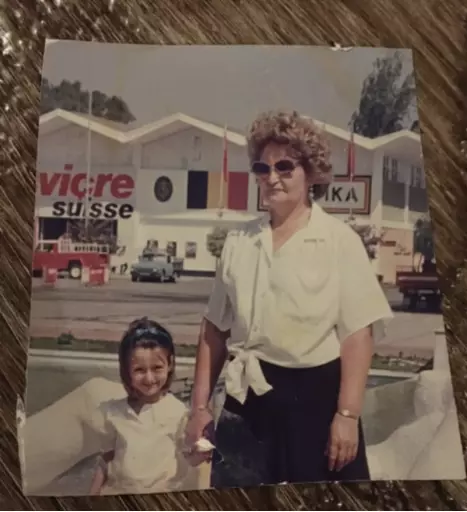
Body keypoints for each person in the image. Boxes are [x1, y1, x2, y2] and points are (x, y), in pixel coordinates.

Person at [185, 110, 394, 487]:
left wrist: (347, 415)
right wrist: (199, 409)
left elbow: (358, 335)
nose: (272, 178)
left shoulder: (338, 240)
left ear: (310, 173)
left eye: (285, 166)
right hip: (247, 398)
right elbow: (214, 329)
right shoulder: (238, 242)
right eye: (262, 169)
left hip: (316, 400)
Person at [89, 317, 196, 495]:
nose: (149, 378)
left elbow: (191, 458)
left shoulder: (179, 413)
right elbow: (106, 460)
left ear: (169, 364)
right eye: (139, 370)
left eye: (157, 368)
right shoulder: (113, 413)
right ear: (126, 370)